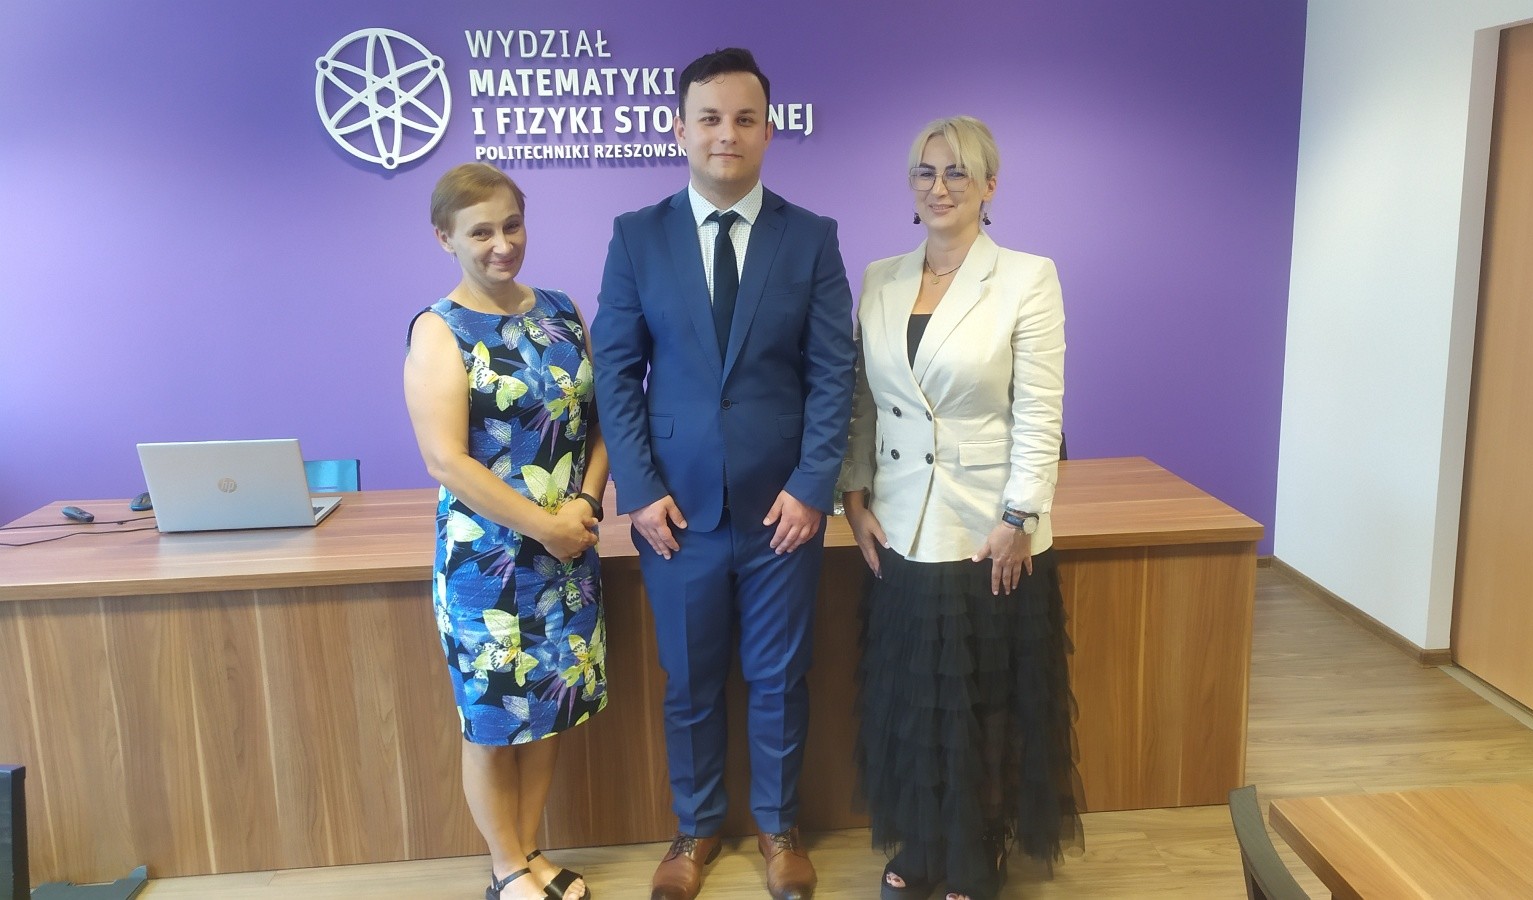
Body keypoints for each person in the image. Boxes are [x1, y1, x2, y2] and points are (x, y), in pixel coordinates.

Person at [590, 47, 854, 900]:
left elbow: (833, 374)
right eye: (709, 118)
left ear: (769, 130)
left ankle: (779, 828)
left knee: (780, 678)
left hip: (785, 512)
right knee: (691, 681)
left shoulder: (811, 237)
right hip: (677, 513)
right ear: (680, 129)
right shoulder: (637, 236)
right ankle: (696, 828)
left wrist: (813, 485)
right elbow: (616, 373)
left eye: (744, 118)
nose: (726, 134)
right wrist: (637, 492)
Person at [838, 116, 1083, 900]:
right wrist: (852, 495)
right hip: (900, 526)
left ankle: (977, 850)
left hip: (987, 532)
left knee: (983, 702)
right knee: (916, 700)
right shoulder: (880, 278)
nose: (939, 187)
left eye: (957, 172)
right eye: (925, 171)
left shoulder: (1026, 277)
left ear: (988, 186)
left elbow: (1040, 414)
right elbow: (862, 402)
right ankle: (923, 839)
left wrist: (1019, 519)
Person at [404, 162, 608, 900]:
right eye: (481, 232)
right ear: (446, 239)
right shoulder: (439, 330)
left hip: (568, 550)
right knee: (492, 723)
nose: (502, 244)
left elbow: (601, 421)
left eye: (512, 225)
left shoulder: (560, 310)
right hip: (487, 564)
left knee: (549, 710)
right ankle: (506, 868)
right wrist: (546, 527)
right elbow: (446, 460)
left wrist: (584, 506)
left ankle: (531, 853)